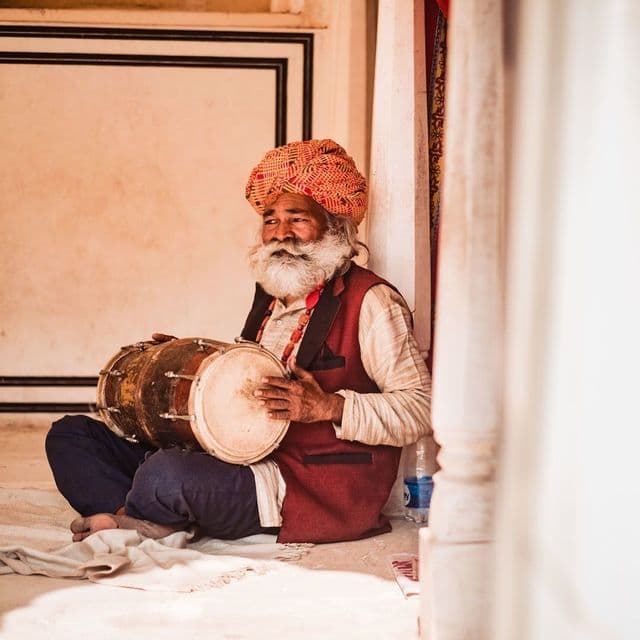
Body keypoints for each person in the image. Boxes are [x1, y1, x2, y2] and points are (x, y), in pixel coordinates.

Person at [45, 139, 433, 544]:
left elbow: (420, 408)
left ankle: (138, 512)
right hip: (236, 455)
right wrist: (182, 360)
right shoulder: (271, 297)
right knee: (72, 436)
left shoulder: (371, 301)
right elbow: (247, 381)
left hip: (299, 485)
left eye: (297, 219)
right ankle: (131, 517)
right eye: (269, 220)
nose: (281, 233)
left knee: (165, 474)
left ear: (334, 226)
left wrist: (327, 406)